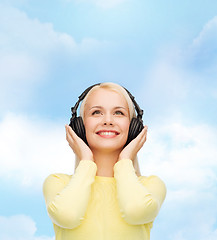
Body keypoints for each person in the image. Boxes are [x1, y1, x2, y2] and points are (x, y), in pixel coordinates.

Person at [43, 82, 166, 240]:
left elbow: (136, 211)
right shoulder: (58, 183)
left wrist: (125, 160)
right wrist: (86, 161)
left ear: (134, 127)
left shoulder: (150, 186)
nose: (108, 120)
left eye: (119, 113)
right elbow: (68, 215)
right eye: (96, 112)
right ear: (79, 126)